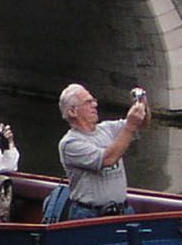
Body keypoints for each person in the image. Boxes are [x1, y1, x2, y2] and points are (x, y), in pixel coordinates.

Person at [56, 83, 149, 220]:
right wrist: (130, 126)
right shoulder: (70, 144)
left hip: (122, 210)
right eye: (88, 102)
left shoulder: (108, 128)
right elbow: (107, 159)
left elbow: (141, 124)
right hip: (90, 215)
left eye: (94, 101)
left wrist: (142, 103)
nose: (94, 105)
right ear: (72, 112)